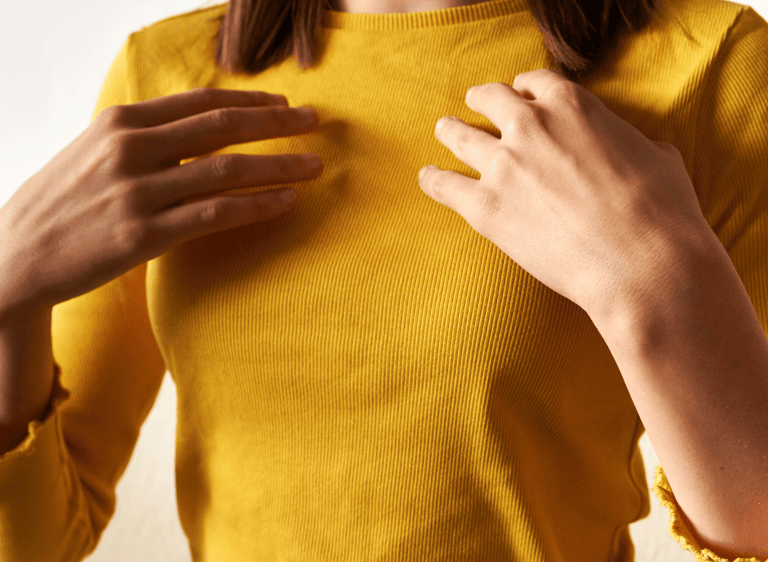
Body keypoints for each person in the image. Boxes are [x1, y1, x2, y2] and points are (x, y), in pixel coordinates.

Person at [1, 0, 767, 560]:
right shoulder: (163, 76)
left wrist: (652, 283)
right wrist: (7, 296)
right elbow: (32, 546)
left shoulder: (712, 66)